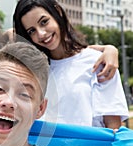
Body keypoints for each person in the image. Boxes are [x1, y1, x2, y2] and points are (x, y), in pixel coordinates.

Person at [13, 0, 128, 129]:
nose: (41, 34)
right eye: (31, 31)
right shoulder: (33, 73)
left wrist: (109, 48)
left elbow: (113, 127)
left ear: (58, 12)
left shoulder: (97, 61)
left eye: (44, 22)